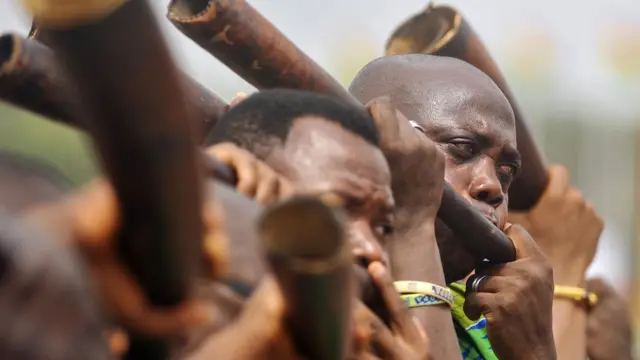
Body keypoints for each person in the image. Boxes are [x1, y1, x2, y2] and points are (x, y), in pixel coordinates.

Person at [350, 54, 556, 360]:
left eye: (506, 171)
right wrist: (413, 223)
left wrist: (536, 350)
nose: (492, 187)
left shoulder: (495, 325)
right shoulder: (309, 301)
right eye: (462, 148)